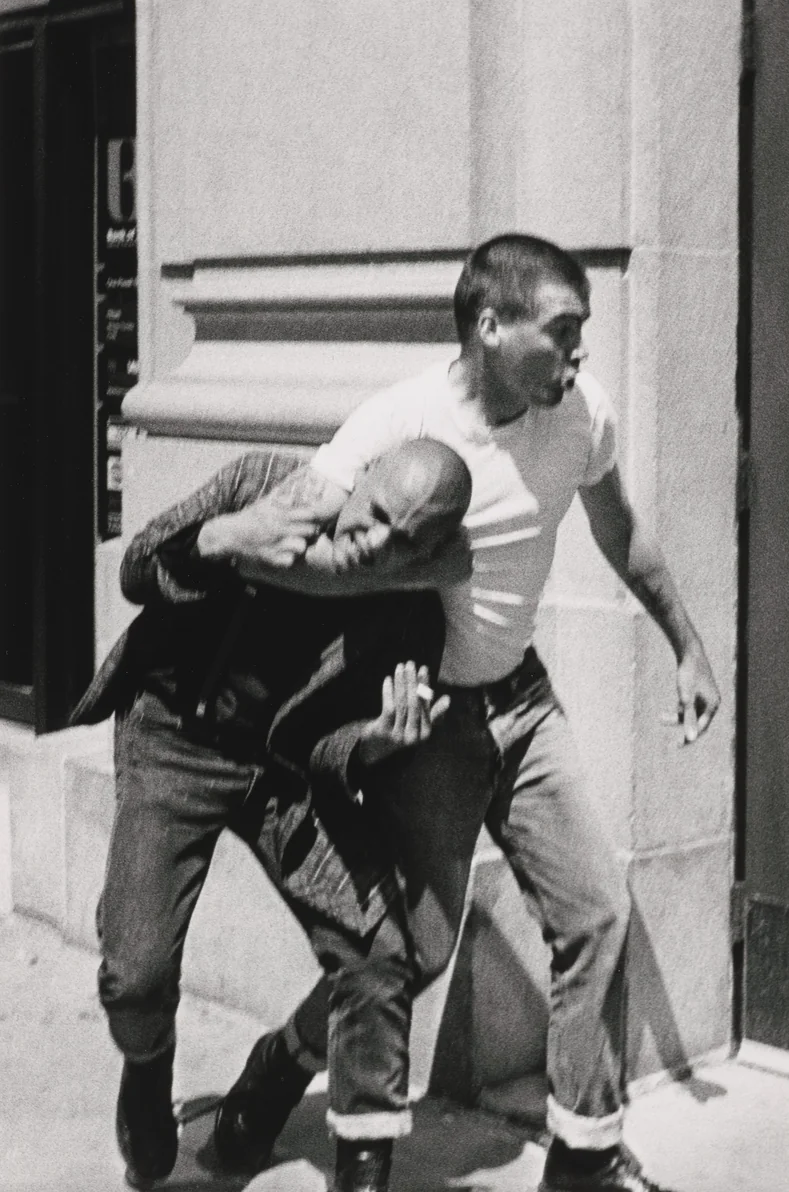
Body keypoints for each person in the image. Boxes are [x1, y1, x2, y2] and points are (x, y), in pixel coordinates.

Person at [213, 234, 721, 1192]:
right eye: (560, 332)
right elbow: (273, 538)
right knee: (414, 953)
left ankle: (582, 1160)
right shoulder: (399, 419)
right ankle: (282, 1063)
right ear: (489, 326)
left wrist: (686, 645)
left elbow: (619, 531)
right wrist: (295, 565)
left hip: (523, 706)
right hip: (430, 725)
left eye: (582, 336)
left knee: (596, 914)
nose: (577, 358)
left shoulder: (580, 415)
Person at [71, 438, 475, 1192]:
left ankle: (330, 1124)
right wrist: (225, 536)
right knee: (136, 976)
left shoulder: (410, 614)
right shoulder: (265, 482)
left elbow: (330, 748)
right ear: (360, 476)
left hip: (282, 779)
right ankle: (147, 1065)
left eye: (405, 540)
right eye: (377, 514)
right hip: (174, 741)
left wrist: (375, 744)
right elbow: (139, 570)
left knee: (380, 951)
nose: (374, 544)